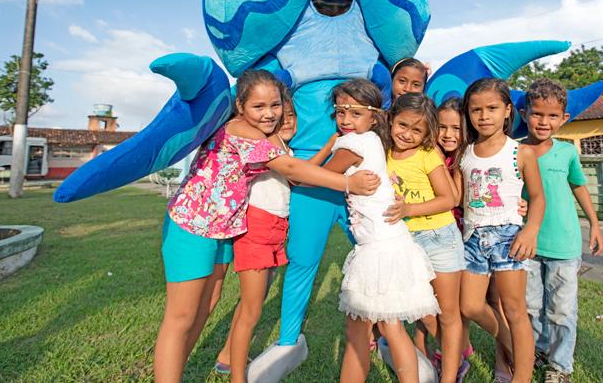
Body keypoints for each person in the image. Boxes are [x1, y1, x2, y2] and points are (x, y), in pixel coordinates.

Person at [153, 69, 380, 383]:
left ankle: (180, 368)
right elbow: (288, 166)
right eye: (259, 107)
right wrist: (347, 181)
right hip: (191, 225)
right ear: (240, 107)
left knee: (207, 303)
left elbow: (293, 170)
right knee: (181, 316)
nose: (270, 114)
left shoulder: (266, 136)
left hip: (221, 230)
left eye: (275, 105)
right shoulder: (241, 130)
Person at [213, 95, 336, 380]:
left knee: (251, 303)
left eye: (293, 115)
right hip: (258, 228)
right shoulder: (265, 144)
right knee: (252, 309)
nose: (289, 120)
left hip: (273, 230)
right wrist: (333, 151)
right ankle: (237, 376)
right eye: (285, 115)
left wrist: (327, 147)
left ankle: (227, 358)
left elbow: (301, 173)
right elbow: (297, 175)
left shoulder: (283, 149)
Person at [327, 79, 439, 383]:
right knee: (374, 327)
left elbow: (314, 176)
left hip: (379, 248)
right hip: (388, 242)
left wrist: (328, 150)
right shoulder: (373, 140)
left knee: (376, 328)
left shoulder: (356, 143)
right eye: (340, 112)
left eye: (355, 113)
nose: (346, 120)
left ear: (374, 116)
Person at [455, 78, 545, 383]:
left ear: (508, 110)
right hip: (472, 239)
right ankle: (513, 345)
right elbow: (459, 195)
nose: (484, 116)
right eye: (476, 109)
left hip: (508, 237)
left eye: (492, 108)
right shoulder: (465, 153)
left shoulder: (520, 152)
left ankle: (522, 376)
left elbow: (537, 197)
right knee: (469, 305)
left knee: (514, 308)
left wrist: (530, 229)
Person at [521, 79, 603, 383]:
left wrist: (594, 223)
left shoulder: (567, 152)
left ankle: (559, 366)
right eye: (537, 114)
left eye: (552, 116)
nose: (544, 122)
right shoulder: (515, 153)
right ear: (523, 114)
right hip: (527, 244)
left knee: (561, 310)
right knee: (530, 306)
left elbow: (578, 186)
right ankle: (536, 351)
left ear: (564, 119)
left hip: (564, 245)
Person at [383, 92, 465, 383]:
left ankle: (450, 374)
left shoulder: (428, 154)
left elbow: (448, 200)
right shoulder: (384, 153)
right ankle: (450, 357)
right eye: (402, 125)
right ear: (391, 120)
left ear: (428, 132)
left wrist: (409, 208)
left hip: (439, 237)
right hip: (406, 242)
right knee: (421, 309)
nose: (407, 134)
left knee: (447, 313)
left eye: (417, 130)